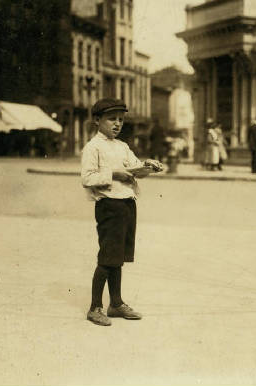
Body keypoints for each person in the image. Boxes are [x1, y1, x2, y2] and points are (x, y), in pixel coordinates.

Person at [81, 98, 163, 326]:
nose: (117, 124)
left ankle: (115, 303)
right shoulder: (93, 147)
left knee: (118, 257)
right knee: (108, 256)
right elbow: (86, 178)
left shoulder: (122, 146)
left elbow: (135, 170)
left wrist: (148, 166)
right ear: (97, 120)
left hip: (127, 203)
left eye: (121, 119)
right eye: (111, 119)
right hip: (109, 205)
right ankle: (94, 307)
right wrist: (113, 175)